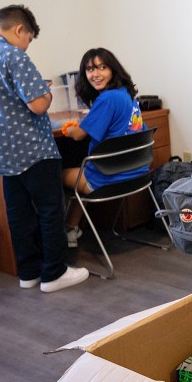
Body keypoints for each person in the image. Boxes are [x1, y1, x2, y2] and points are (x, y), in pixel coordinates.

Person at [0, 5, 89, 292]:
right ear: (19, 30)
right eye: (28, 39)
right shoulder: (14, 56)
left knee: (18, 213)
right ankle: (54, 273)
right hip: (32, 150)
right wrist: (46, 92)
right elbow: (38, 104)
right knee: (49, 209)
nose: (27, 45)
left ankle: (28, 273)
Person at [61, 48, 147, 247]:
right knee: (80, 168)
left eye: (102, 67)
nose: (95, 74)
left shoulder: (106, 99)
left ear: (113, 70)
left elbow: (79, 135)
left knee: (56, 172)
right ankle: (71, 229)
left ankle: (61, 235)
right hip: (136, 173)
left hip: (108, 178)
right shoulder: (126, 94)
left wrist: (70, 128)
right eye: (90, 69)